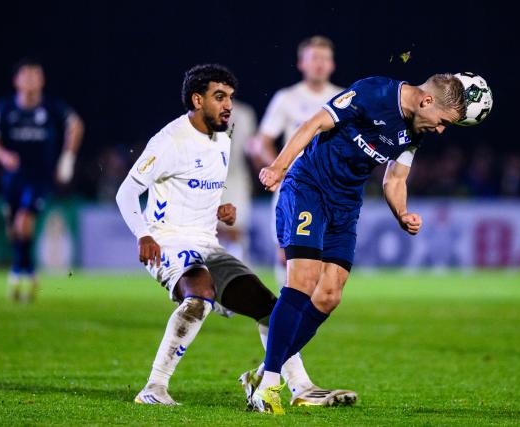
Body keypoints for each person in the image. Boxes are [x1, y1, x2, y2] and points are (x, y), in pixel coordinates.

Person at [115, 64, 355, 408]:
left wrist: (220, 208)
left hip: (208, 245)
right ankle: (154, 387)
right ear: (197, 100)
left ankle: (300, 387)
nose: (228, 105)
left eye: (230, 97)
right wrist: (143, 235)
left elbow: (192, 186)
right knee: (199, 295)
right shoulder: (169, 141)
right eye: (219, 97)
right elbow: (126, 192)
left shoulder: (222, 137)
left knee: (273, 310)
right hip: (167, 241)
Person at [249, 73, 467, 414]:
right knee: (302, 283)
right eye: (442, 122)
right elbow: (314, 124)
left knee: (330, 295)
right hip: (310, 188)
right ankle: (268, 387)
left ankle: (263, 373)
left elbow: (395, 178)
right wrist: (278, 166)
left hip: (346, 205)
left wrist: (402, 213)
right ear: (427, 101)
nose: (441, 130)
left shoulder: (415, 131)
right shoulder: (374, 93)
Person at [0, 58, 84, 302]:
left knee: (23, 219)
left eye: (35, 75)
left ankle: (18, 273)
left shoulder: (51, 107)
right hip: (13, 177)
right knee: (13, 228)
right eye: (26, 75)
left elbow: (76, 125)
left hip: (39, 176)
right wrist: (4, 155)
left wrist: (67, 159)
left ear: (42, 80)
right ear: (16, 81)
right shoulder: (5, 108)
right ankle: (26, 269)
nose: (31, 80)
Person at [249, 35, 342, 288]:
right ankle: (283, 318)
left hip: (329, 190)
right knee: (287, 256)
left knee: (324, 261)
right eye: (314, 58)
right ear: (301, 63)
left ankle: (303, 319)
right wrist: (279, 169)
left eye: (325, 58)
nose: (320, 64)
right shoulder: (287, 98)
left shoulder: (342, 98)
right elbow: (262, 141)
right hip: (295, 186)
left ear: (332, 65)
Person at [217, 99, 257, 261]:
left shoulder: (245, 113)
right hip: (208, 177)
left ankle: (238, 272)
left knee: (237, 228)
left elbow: (251, 148)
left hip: (237, 177)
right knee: (212, 229)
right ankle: (214, 270)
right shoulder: (203, 111)